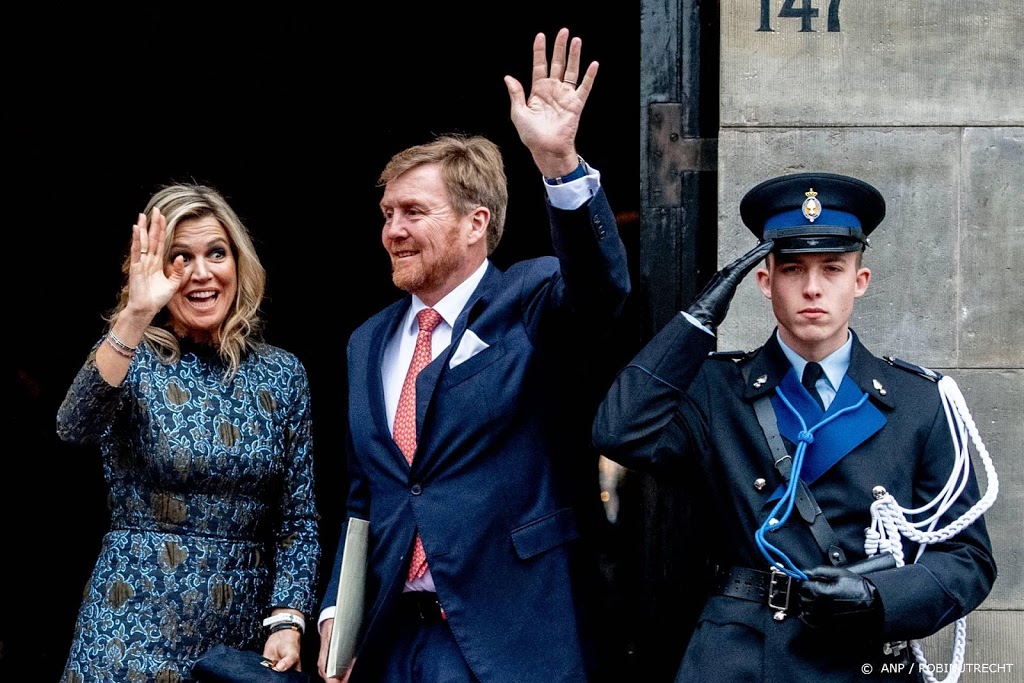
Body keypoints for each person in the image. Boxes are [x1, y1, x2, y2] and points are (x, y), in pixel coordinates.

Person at [593, 172, 996, 682]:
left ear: (860, 281)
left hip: (863, 658)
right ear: (764, 282)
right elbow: (619, 431)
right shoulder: (716, 390)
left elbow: (967, 559)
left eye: (832, 269)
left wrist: (878, 597)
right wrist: (699, 318)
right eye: (791, 269)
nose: (812, 288)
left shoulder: (920, 401)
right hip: (742, 658)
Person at [317, 27, 630, 683]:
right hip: (391, 641)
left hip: (508, 638)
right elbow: (365, 494)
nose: (393, 230)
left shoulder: (531, 299)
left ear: (475, 222)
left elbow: (601, 289)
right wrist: (337, 614)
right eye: (387, 213)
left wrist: (560, 165)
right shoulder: (366, 341)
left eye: (413, 212)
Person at [56, 183, 320, 681]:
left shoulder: (282, 374)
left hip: (235, 641)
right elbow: (73, 428)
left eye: (216, 253)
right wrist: (135, 315)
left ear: (238, 263)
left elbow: (297, 519)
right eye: (180, 258)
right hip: (128, 628)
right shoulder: (130, 355)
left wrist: (288, 618)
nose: (201, 273)